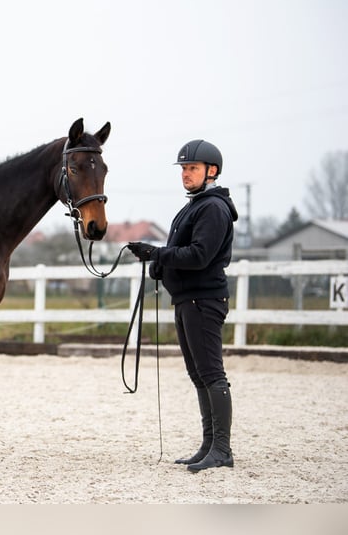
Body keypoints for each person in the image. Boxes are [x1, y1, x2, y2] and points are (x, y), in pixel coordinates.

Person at [127, 139, 238, 473]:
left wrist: (157, 254)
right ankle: (209, 444)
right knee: (197, 374)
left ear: (211, 171)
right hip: (187, 299)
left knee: (211, 372)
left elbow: (200, 255)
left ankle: (222, 448)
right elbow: (182, 251)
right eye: (184, 169)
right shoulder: (194, 206)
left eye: (192, 168)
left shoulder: (212, 209)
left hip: (203, 300)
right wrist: (159, 264)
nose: (186, 175)